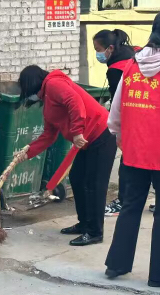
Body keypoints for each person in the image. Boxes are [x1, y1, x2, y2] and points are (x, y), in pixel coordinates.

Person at [105, 11, 160, 287]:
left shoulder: (131, 65)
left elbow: (116, 107)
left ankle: (117, 264)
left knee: (131, 205)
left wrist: (118, 133)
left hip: (134, 150)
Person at [18, 66, 116, 246]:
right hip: (87, 140)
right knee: (77, 179)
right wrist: (27, 152)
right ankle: (84, 223)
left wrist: (77, 132)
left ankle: (94, 232)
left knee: (94, 184)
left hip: (101, 133)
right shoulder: (48, 100)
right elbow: (48, 136)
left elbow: (75, 101)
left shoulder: (54, 84)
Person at [93, 29, 136, 217]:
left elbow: (119, 100)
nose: (97, 54)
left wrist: (116, 127)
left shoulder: (116, 70)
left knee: (127, 161)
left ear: (110, 48)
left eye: (98, 49)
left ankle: (123, 201)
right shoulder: (133, 53)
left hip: (131, 119)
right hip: (147, 114)